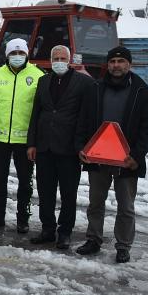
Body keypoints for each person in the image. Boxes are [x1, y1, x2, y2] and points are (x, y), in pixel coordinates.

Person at [75, 46, 148, 263]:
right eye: (112, 61)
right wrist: (82, 147)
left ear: (129, 64)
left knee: (126, 207)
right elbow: (83, 120)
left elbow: (146, 130)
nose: (116, 65)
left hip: (126, 161)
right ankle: (93, 239)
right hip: (98, 157)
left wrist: (136, 156)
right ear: (107, 64)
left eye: (121, 61)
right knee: (95, 203)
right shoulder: (96, 88)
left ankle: (123, 246)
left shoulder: (142, 91)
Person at [27, 45, 96, 249]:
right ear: (50, 60)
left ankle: (64, 232)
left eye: (62, 58)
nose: (58, 61)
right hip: (44, 147)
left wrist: (83, 146)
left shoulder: (84, 83)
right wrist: (32, 143)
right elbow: (35, 114)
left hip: (69, 149)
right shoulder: (43, 81)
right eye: (55, 57)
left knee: (68, 193)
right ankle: (47, 229)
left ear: (69, 60)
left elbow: (87, 117)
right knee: (45, 191)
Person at [0, 37, 43, 233]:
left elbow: (41, 111)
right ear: (7, 55)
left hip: (25, 140)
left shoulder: (38, 75)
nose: (17, 56)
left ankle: (22, 219)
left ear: (26, 54)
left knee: (25, 182)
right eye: (13, 53)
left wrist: (37, 140)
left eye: (21, 53)